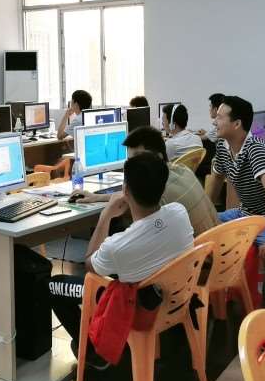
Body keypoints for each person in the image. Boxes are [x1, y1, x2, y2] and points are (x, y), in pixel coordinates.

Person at [50, 152, 194, 367]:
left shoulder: (118, 246)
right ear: (163, 187)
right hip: (175, 300)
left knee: (54, 284)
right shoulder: (179, 212)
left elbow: (90, 265)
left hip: (139, 310)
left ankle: (92, 351)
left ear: (125, 190)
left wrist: (105, 216)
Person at [206, 95, 265, 309]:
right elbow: (216, 180)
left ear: (236, 124)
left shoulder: (255, 149)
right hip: (245, 213)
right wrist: (206, 215)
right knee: (199, 228)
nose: (214, 121)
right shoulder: (222, 146)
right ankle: (216, 297)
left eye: (220, 117)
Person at [71, 126, 218, 236]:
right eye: (130, 160)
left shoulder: (160, 192)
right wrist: (97, 197)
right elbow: (128, 196)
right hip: (215, 247)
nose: (133, 166)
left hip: (199, 261)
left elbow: (131, 200)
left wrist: (106, 214)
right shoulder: (182, 169)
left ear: (158, 157)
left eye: (138, 158)